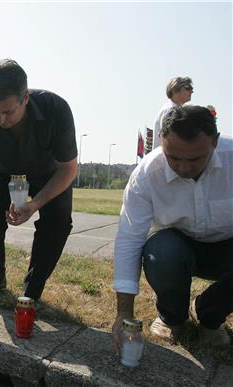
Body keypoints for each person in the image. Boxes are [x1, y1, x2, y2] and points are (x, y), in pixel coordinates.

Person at [0, 59, 78, 303]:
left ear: (25, 98)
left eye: (7, 112)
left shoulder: (56, 109)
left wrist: (35, 204)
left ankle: (31, 292)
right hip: (5, 170)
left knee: (58, 222)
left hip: (50, 174)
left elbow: (69, 169)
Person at [112, 105, 232, 351]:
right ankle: (172, 317)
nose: (184, 168)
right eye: (173, 158)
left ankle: (210, 314)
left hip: (227, 247)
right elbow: (129, 239)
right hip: (177, 246)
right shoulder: (146, 174)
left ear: (215, 141)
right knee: (161, 253)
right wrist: (124, 311)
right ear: (162, 143)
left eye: (196, 158)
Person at [152, 77, 193, 150]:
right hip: (167, 159)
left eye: (192, 89)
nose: (191, 91)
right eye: (187, 88)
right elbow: (170, 140)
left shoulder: (174, 109)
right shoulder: (169, 110)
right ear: (175, 90)